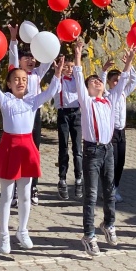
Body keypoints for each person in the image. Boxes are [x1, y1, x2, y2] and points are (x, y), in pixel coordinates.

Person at [0, 55, 63, 254]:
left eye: (24, 79)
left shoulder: (32, 101)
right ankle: (3, 234)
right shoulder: (5, 100)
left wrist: (56, 75)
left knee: (25, 194)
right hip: (9, 147)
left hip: (27, 147)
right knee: (6, 194)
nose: (21, 82)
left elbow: (50, 93)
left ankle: (23, 230)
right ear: (9, 84)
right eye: (16, 80)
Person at [71, 40, 136, 257]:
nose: (98, 82)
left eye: (100, 80)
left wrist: (128, 64)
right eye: (93, 81)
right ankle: (89, 235)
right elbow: (79, 79)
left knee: (110, 190)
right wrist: (78, 55)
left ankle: (108, 224)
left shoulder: (110, 100)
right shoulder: (86, 102)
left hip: (108, 149)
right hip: (92, 151)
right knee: (90, 195)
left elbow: (121, 83)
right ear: (88, 88)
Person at [8, 25, 54, 205]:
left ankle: (33, 187)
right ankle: (13, 192)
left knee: (33, 151)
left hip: (34, 114)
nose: (31, 60)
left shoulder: (37, 74)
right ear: (20, 61)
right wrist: (13, 38)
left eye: (33, 57)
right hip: (17, 114)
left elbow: (48, 60)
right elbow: (12, 56)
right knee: (15, 152)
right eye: (27, 57)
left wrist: (56, 43)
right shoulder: (14, 73)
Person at [100, 55, 136, 202]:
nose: (117, 83)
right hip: (111, 133)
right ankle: (107, 190)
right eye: (114, 81)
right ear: (109, 83)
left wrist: (130, 65)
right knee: (112, 162)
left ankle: (115, 188)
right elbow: (101, 84)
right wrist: (104, 71)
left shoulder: (123, 93)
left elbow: (134, 81)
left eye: (119, 80)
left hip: (122, 132)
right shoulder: (106, 95)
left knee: (121, 162)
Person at [51, 57, 83, 199]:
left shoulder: (78, 80)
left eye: (72, 67)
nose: (70, 69)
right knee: (63, 147)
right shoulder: (58, 80)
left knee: (78, 149)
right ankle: (62, 179)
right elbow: (55, 90)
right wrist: (57, 74)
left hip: (76, 113)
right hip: (63, 114)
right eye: (67, 67)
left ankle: (78, 180)